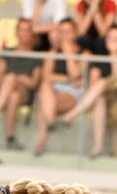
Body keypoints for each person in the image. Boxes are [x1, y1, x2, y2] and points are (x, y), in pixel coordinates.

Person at [58, 24, 117, 157]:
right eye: (111, 38)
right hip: (104, 99)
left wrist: (114, 56)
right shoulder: (100, 58)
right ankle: (98, 147)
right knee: (100, 96)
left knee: (103, 82)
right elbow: (93, 85)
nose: (113, 42)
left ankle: (71, 115)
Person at [0, 18, 42, 149]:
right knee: (13, 95)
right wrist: (15, 79)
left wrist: (16, 78)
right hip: (6, 92)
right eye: (21, 30)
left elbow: (33, 83)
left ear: (32, 33)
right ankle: (10, 138)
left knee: (12, 77)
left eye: (27, 30)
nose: (24, 33)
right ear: (17, 32)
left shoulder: (37, 57)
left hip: (26, 93)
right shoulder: (8, 52)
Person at [34, 18, 87, 155]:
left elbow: (76, 73)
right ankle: (51, 123)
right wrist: (67, 79)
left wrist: (68, 53)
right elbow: (46, 76)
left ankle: (41, 143)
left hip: (73, 93)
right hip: (54, 90)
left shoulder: (85, 53)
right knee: (45, 88)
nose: (65, 36)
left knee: (44, 104)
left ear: (75, 33)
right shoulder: (53, 52)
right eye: (62, 32)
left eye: (68, 32)